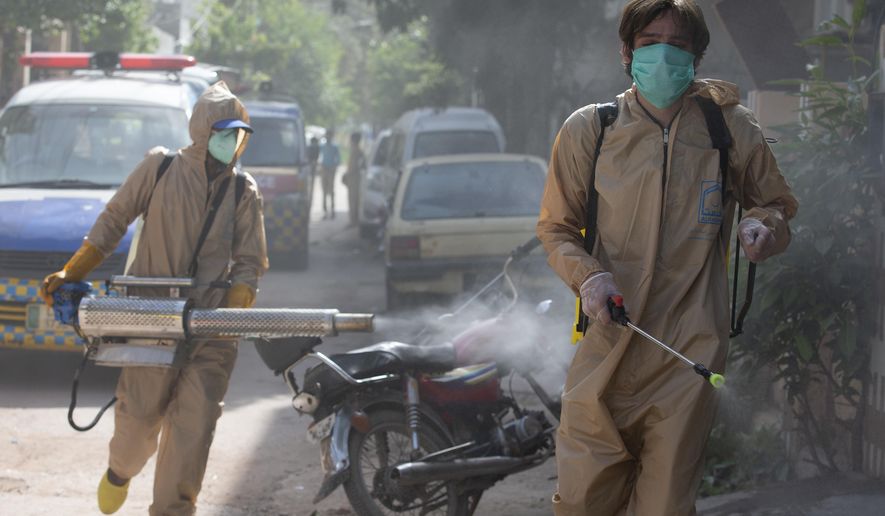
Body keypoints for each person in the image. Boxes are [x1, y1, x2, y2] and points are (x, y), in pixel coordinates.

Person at [536, 1, 798, 515]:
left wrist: (760, 226)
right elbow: (556, 228)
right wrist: (588, 277)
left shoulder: (729, 129)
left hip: (688, 355)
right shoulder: (591, 130)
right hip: (606, 350)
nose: (662, 54)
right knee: (582, 502)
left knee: (665, 508)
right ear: (627, 50)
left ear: (697, 56)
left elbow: (775, 205)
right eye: (650, 41)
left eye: (677, 45)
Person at [39, 81, 269, 515]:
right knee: (138, 425)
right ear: (202, 132)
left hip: (209, 330)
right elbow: (114, 220)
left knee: (193, 432)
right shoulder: (160, 168)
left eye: (238, 134)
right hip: (150, 317)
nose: (231, 142)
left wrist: (233, 312)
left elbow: (249, 263)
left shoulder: (243, 191)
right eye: (224, 132)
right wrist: (74, 270)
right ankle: (119, 472)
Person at [342, 131, 366, 227]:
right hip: (354, 178)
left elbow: (353, 166)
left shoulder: (356, 151)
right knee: (354, 199)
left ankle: (353, 221)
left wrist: (347, 175)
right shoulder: (358, 151)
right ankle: (354, 220)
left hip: (354, 178)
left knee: (353, 200)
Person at [319, 129, 341, 219]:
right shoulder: (322, 146)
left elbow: (338, 158)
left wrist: (335, 166)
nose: (328, 137)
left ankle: (332, 210)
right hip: (324, 169)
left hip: (331, 170)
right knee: (324, 190)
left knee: (331, 190)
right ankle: (325, 211)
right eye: (327, 135)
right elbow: (319, 156)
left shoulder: (335, 146)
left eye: (329, 135)